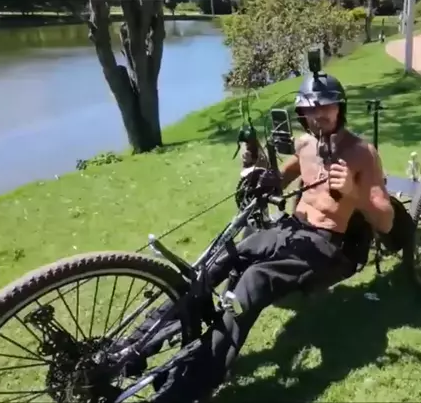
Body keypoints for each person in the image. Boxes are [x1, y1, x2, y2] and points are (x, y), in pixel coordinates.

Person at [139, 72, 395, 402]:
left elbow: (385, 220)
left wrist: (353, 191)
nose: (318, 115)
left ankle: (190, 384)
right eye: (310, 110)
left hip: (327, 244)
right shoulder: (305, 145)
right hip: (290, 230)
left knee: (255, 279)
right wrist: (260, 171)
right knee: (221, 260)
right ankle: (138, 345)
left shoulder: (362, 153)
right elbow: (281, 177)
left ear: (340, 108)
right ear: (301, 113)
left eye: (326, 107)